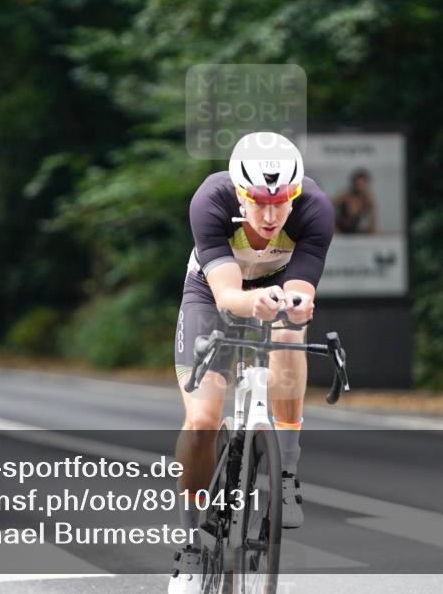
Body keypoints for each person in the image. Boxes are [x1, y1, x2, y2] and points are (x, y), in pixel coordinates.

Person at [168, 131, 334, 594]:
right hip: (212, 292)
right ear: (241, 194)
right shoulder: (211, 199)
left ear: (295, 194)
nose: (269, 214)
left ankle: (285, 473)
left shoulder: (316, 208)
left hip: (277, 286)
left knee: (288, 333)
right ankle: (189, 548)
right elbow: (225, 295)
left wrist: (298, 304)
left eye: (280, 202)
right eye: (259, 201)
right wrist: (253, 299)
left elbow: (302, 289)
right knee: (202, 420)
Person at [333, 168, 378, 234]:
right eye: (358, 184)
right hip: (340, 229)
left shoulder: (367, 200)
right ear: (354, 184)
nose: (360, 187)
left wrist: (372, 232)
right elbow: (329, 205)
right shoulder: (346, 196)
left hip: (354, 230)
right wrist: (333, 227)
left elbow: (372, 222)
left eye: (362, 184)